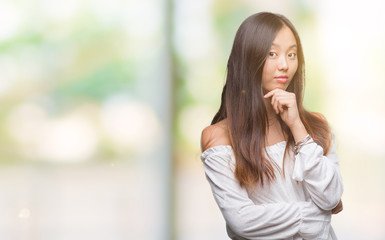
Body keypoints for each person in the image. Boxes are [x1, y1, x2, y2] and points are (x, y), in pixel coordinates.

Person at [200, 12, 344, 240]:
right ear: (249, 58)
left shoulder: (316, 127)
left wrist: (298, 128)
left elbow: (331, 198)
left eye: (292, 54)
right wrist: (313, 215)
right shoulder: (220, 137)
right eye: (272, 54)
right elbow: (243, 221)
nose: (284, 65)